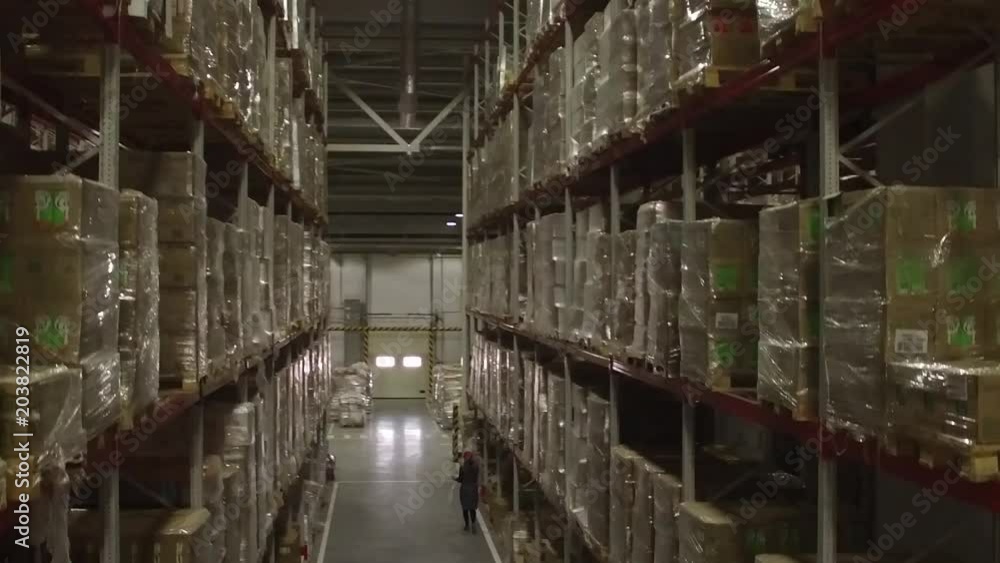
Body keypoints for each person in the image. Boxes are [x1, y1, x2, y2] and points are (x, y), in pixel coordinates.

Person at [454, 450, 480, 533]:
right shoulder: (476, 466)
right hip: (473, 489)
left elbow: (460, 479)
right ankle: (473, 525)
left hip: (465, 489)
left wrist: (454, 478)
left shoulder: (463, 467)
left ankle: (467, 525)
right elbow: (475, 478)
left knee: (465, 508)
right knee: (472, 509)